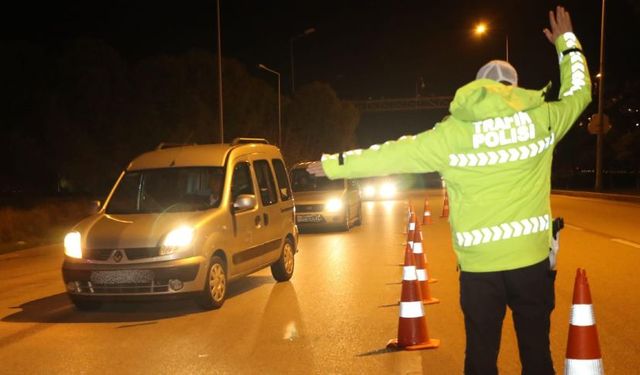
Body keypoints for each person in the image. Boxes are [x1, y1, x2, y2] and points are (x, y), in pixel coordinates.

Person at [307, 6, 590, 374]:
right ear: (515, 90)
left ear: (477, 88)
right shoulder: (543, 120)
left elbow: (393, 153)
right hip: (531, 265)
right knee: (536, 354)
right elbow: (580, 92)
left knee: (481, 357)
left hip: (479, 270)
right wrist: (566, 44)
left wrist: (333, 164)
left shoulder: (452, 134)